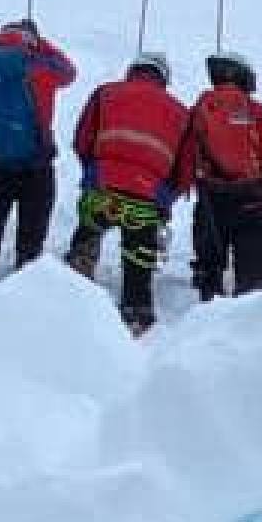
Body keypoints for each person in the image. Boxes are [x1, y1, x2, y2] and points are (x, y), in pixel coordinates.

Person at [68, 52, 189, 332]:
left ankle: (70, 300)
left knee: (85, 241)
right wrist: (165, 197)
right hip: (146, 198)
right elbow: (185, 167)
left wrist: (92, 171)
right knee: (138, 260)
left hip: (102, 188)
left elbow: (83, 138)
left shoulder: (106, 93)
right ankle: (136, 315)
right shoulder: (180, 111)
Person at [0, 22, 78, 280]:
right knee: (30, 241)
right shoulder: (39, 67)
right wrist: (40, 43)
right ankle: (24, 297)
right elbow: (69, 72)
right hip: (37, 166)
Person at [176, 51, 262, 300]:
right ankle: (248, 329)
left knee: (210, 270)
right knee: (252, 278)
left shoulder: (201, 110)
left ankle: (208, 321)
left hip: (211, 199)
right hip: (252, 201)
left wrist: (183, 186)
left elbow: (187, 153)